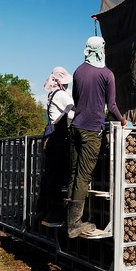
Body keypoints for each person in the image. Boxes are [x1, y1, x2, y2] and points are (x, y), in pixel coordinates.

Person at [67, 36, 128, 238]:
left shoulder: (78, 71)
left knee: (74, 172)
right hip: (92, 129)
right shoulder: (107, 74)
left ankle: (69, 218)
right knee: (84, 176)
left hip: (75, 126)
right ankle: (74, 223)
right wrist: (123, 120)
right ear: (101, 50)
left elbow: (76, 99)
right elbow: (111, 106)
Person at [36, 67, 75, 226]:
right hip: (57, 138)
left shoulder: (52, 94)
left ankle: (43, 210)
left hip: (50, 137)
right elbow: (74, 112)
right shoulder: (60, 95)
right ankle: (54, 213)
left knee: (49, 174)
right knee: (56, 175)